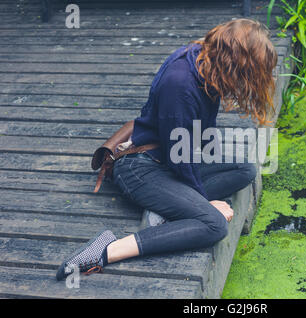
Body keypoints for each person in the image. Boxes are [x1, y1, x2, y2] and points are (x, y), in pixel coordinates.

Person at [56, 18, 277, 280]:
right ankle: (105, 250)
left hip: (167, 160)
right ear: (237, 61)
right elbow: (180, 159)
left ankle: (165, 208)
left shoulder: (206, 63)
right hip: (141, 168)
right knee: (214, 225)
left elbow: (199, 138)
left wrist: (199, 197)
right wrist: (205, 204)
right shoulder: (181, 84)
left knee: (245, 169)